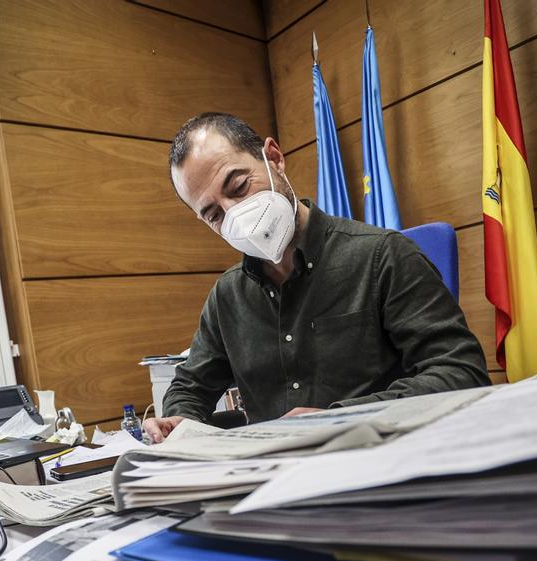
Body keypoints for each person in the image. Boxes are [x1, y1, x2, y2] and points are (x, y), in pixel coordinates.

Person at [143, 112, 489, 443]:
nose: (236, 215)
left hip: (378, 463)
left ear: (274, 158)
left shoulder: (384, 256)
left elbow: (460, 373)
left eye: (238, 186)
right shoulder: (228, 296)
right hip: (272, 478)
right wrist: (179, 422)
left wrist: (337, 418)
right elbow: (189, 387)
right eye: (214, 214)